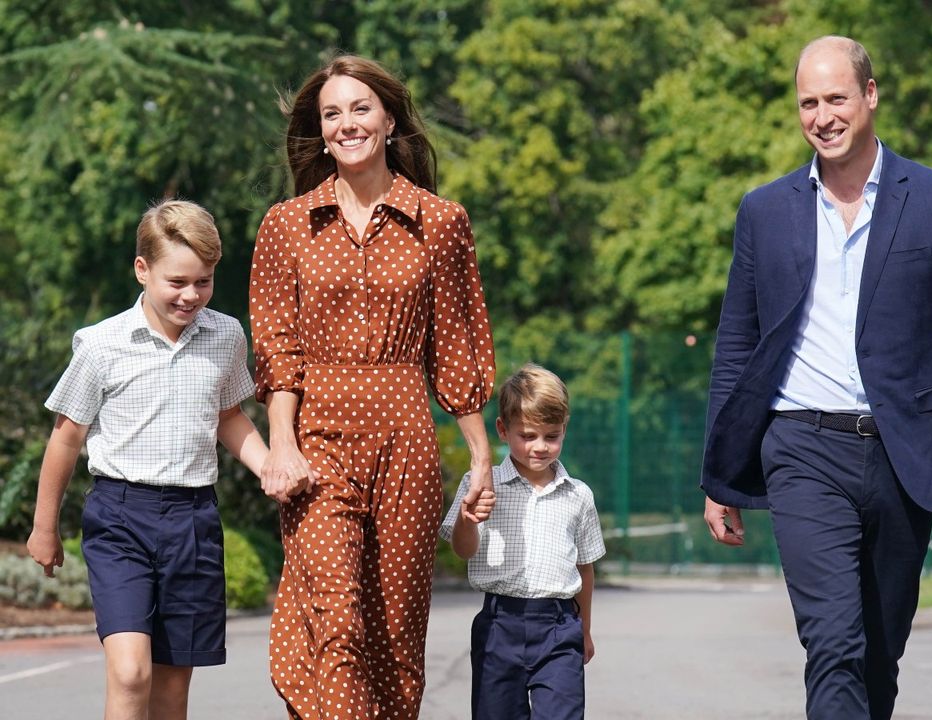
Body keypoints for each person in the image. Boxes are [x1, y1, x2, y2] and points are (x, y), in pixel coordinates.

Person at [700, 35, 932, 719]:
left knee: (876, 652)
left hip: (905, 454)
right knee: (833, 642)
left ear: (870, 96)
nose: (822, 116)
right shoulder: (765, 210)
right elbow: (737, 349)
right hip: (801, 447)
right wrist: (717, 474)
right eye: (808, 102)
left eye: (836, 98)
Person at [250, 54, 497, 719]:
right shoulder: (287, 225)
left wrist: (478, 456)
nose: (346, 123)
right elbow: (278, 352)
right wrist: (281, 444)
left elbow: (457, 344)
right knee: (337, 623)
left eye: (360, 108)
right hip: (317, 444)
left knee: (393, 634)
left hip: (406, 445)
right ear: (321, 129)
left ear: (389, 119)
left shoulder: (441, 222)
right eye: (332, 113)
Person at [25, 200, 270, 720]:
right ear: (142, 269)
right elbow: (66, 438)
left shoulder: (225, 335)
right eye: (177, 281)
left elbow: (229, 416)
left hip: (194, 522)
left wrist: (269, 466)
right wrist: (44, 527)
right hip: (120, 519)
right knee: (132, 671)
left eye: (203, 281)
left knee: (171, 689)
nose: (191, 295)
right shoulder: (100, 345)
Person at [440, 363, 606, 720]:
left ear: (564, 430)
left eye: (552, 435)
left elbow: (585, 569)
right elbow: (463, 550)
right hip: (500, 625)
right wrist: (469, 521)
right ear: (503, 429)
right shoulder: (481, 483)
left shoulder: (578, 495)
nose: (540, 447)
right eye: (528, 435)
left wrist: (585, 632)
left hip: (560, 629)